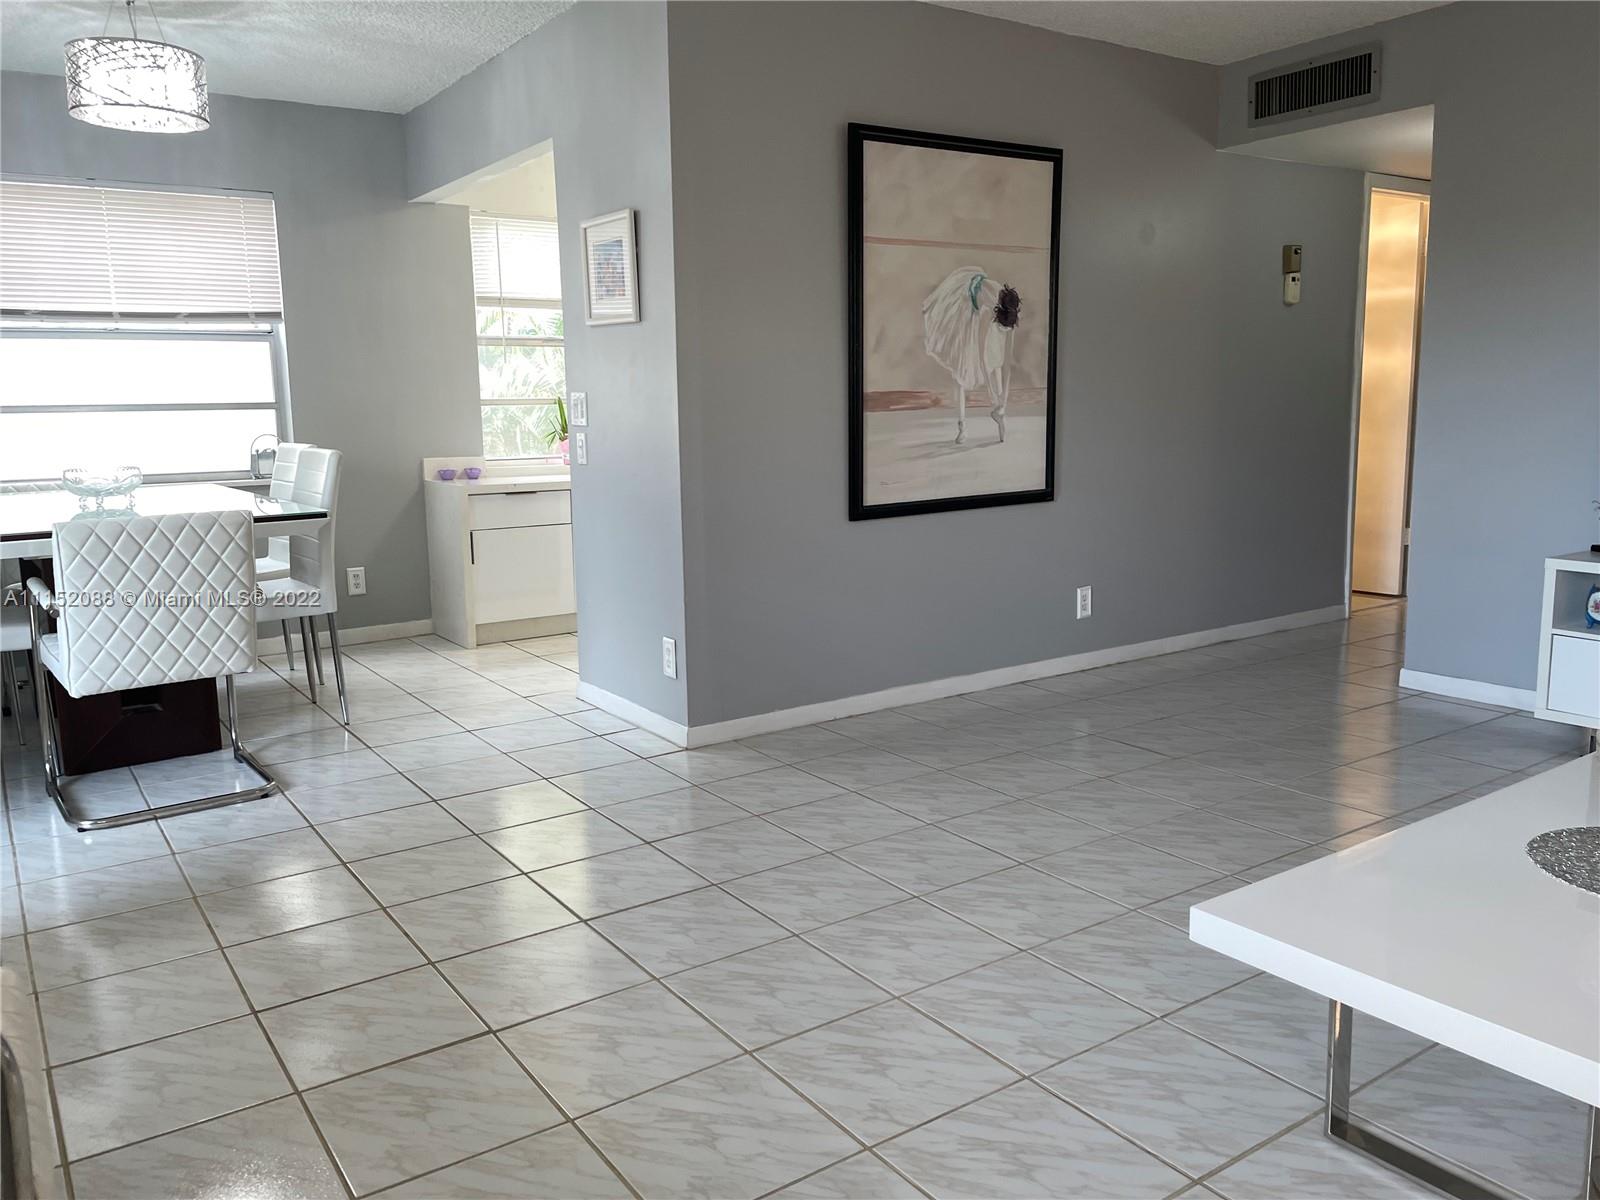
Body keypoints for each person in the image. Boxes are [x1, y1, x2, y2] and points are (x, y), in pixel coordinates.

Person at [921, 266, 1021, 444]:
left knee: (996, 356)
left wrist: (1003, 398)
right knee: (962, 365)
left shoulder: (1009, 305)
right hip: (964, 303)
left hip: (982, 300)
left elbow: (1007, 359)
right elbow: (983, 354)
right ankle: (962, 427)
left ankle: (1000, 411)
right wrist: (992, 392)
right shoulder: (988, 309)